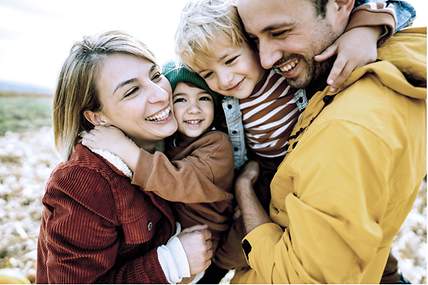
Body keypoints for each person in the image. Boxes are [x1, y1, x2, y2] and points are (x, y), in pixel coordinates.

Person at [173, 0, 415, 281]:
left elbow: (399, 8)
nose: (225, 79)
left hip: (309, 162)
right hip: (264, 175)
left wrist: (366, 30)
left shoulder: (289, 69)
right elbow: (179, 87)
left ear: (250, 45)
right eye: (208, 75)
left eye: (230, 61)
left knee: (361, 241)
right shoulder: (224, 100)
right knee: (232, 251)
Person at [36, 31, 214, 284]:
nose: (162, 95)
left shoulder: (173, 140)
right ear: (97, 117)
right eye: (131, 91)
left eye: (155, 75)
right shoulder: (82, 181)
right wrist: (173, 261)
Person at [81, 61, 236, 280]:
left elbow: (177, 181)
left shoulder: (217, 145)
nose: (194, 109)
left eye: (204, 98)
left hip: (200, 242)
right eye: (181, 99)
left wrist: (125, 149)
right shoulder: (171, 140)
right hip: (172, 236)